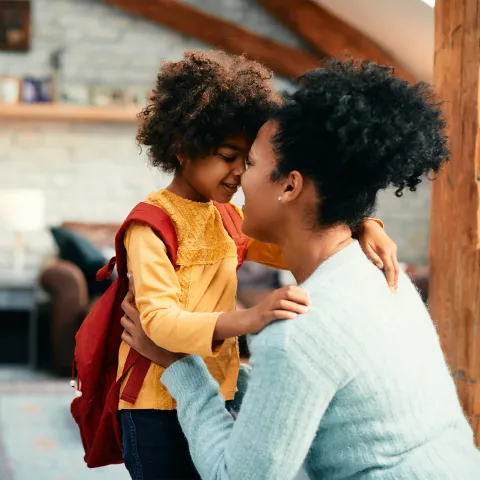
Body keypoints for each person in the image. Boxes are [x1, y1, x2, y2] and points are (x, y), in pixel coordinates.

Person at [120, 59, 480, 479]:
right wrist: (362, 223)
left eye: (249, 163)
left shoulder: (296, 331)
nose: (238, 179)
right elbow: (326, 395)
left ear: (290, 186)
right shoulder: (382, 276)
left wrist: (180, 365)